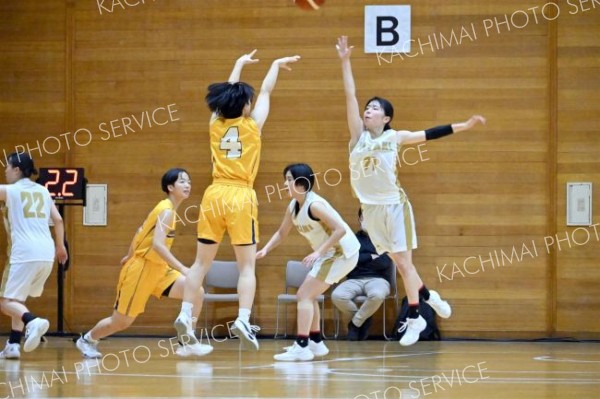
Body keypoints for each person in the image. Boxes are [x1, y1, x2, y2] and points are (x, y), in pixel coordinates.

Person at [336, 36, 486, 346]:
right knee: (404, 264)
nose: (367, 110)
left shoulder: (395, 138)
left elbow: (431, 134)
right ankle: (430, 298)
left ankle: (416, 316)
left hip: (394, 206)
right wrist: (345, 61)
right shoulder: (357, 138)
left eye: (374, 108)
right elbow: (349, 95)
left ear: (386, 118)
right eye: (367, 107)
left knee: (403, 264)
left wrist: (465, 126)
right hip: (370, 210)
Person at [175, 50, 300, 351]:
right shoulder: (253, 125)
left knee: (200, 264)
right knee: (246, 267)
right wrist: (273, 65)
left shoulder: (215, 126)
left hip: (214, 194)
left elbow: (226, 96)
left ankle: (184, 312)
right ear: (245, 105)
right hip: (241, 195)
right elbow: (267, 90)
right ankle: (243, 318)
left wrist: (238, 64)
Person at [76, 168, 211, 359]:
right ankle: (87, 339)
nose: (187, 185)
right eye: (182, 182)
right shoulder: (166, 211)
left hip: (159, 270)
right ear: (170, 187)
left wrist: (129, 253)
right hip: (141, 270)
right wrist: (182, 268)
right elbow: (157, 245)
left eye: (189, 181)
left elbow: (140, 230)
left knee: (196, 292)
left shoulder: (167, 209)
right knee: (121, 322)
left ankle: (186, 342)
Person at [257, 163, 360, 361]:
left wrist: (318, 252)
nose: (284, 184)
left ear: (302, 184)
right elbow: (281, 232)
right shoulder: (294, 206)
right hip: (329, 254)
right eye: (285, 179)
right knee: (308, 296)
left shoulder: (314, 205)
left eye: (289, 179)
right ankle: (315, 342)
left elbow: (341, 229)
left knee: (303, 294)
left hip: (341, 253)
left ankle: (302, 345)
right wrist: (265, 249)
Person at [0, 152, 68, 359]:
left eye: (8, 167)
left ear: (17, 170)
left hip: (23, 252)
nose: (5, 170)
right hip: (46, 252)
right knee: (17, 299)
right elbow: (58, 220)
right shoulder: (43, 191)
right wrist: (60, 247)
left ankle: (32, 321)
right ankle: (13, 344)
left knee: (4, 301)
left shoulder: (9, 190)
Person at [332, 208, 394, 341]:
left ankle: (355, 324)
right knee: (337, 296)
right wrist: (372, 256)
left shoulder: (383, 240)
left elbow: (384, 262)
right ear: (360, 218)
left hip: (378, 279)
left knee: (377, 295)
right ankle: (363, 319)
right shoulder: (352, 239)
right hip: (354, 279)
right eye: (364, 216)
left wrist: (362, 258)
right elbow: (351, 261)